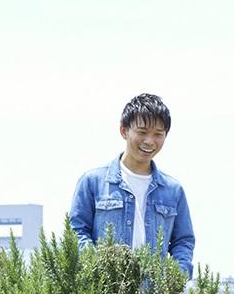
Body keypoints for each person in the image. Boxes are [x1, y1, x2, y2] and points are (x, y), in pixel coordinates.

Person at [68, 93, 195, 277]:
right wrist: (96, 269)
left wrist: (177, 276)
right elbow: (77, 232)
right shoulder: (93, 182)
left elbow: (183, 241)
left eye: (158, 134)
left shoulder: (173, 190)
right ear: (124, 130)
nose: (149, 141)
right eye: (142, 132)